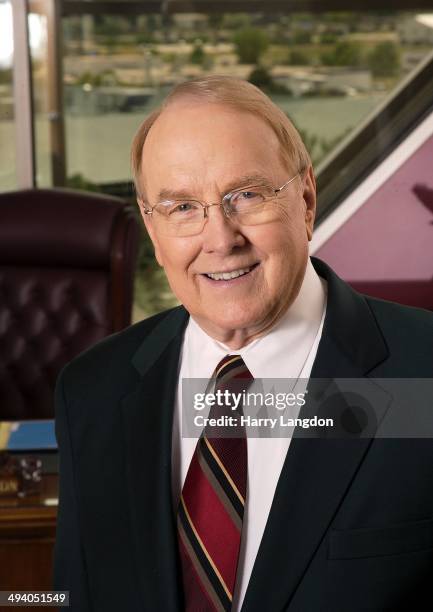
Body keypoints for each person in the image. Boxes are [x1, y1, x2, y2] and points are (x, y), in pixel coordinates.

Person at [54, 76, 433, 612]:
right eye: (182, 207)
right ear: (151, 228)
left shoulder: (424, 379)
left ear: (305, 199)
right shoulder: (91, 390)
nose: (220, 238)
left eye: (246, 195)